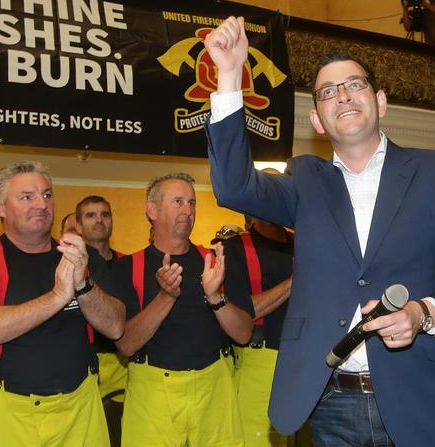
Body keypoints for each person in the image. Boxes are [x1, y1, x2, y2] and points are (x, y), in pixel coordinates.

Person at [204, 16, 435, 446]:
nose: (341, 95)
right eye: (327, 91)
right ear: (317, 120)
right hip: (330, 404)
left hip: (420, 400)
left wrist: (424, 313)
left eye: (354, 85)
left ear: (380, 102)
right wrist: (230, 75)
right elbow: (233, 186)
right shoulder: (304, 180)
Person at [0, 160, 125, 447]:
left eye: (47, 195)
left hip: (80, 412)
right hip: (3, 415)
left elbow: (116, 326)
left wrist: (83, 285)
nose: (41, 204)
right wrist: (57, 297)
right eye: (27, 197)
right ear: (1, 207)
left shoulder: (82, 257)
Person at [113, 172, 254, 447]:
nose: (187, 210)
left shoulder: (215, 262)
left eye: (192, 202)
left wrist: (215, 297)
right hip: (152, 395)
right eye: (178, 201)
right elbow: (127, 345)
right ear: (151, 210)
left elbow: (244, 334)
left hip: (214, 388)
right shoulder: (127, 268)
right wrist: (166, 296)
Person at [213, 193, 295, 447]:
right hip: (260, 360)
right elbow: (243, 313)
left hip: (304, 362)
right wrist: (296, 280)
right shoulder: (235, 248)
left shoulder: (304, 243)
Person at [75, 195, 126, 446]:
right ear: (78, 225)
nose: (99, 220)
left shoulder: (128, 264)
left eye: (105, 215)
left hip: (121, 363)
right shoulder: (67, 266)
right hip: (81, 363)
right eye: (90, 215)